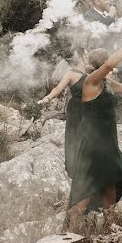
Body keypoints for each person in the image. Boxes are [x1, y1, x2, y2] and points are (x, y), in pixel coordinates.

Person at [67, 36, 122, 228]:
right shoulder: (90, 82)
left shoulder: (106, 84)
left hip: (107, 139)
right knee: (89, 187)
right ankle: (71, 229)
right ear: (100, 65)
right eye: (108, 62)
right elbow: (109, 65)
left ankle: (109, 225)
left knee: (110, 182)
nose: (113, 67)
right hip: (93, 141)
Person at [39, 50, 89, 178]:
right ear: (80, 57)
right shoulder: (71, 73)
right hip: (76, 108)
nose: (89, 56)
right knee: (73, 137)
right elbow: (58, 88)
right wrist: (48, 98)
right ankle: (73, 171)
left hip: (90, 108)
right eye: (87, 54)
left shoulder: (91, 72)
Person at [84, 0, 122, 84]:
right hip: (101, 57)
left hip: (115, 52)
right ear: (97, 2)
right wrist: (111, 16)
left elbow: (115, 34)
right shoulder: (89, 16)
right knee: (110, 82)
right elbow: (99, 31)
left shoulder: (106, 14)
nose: (109, 2)